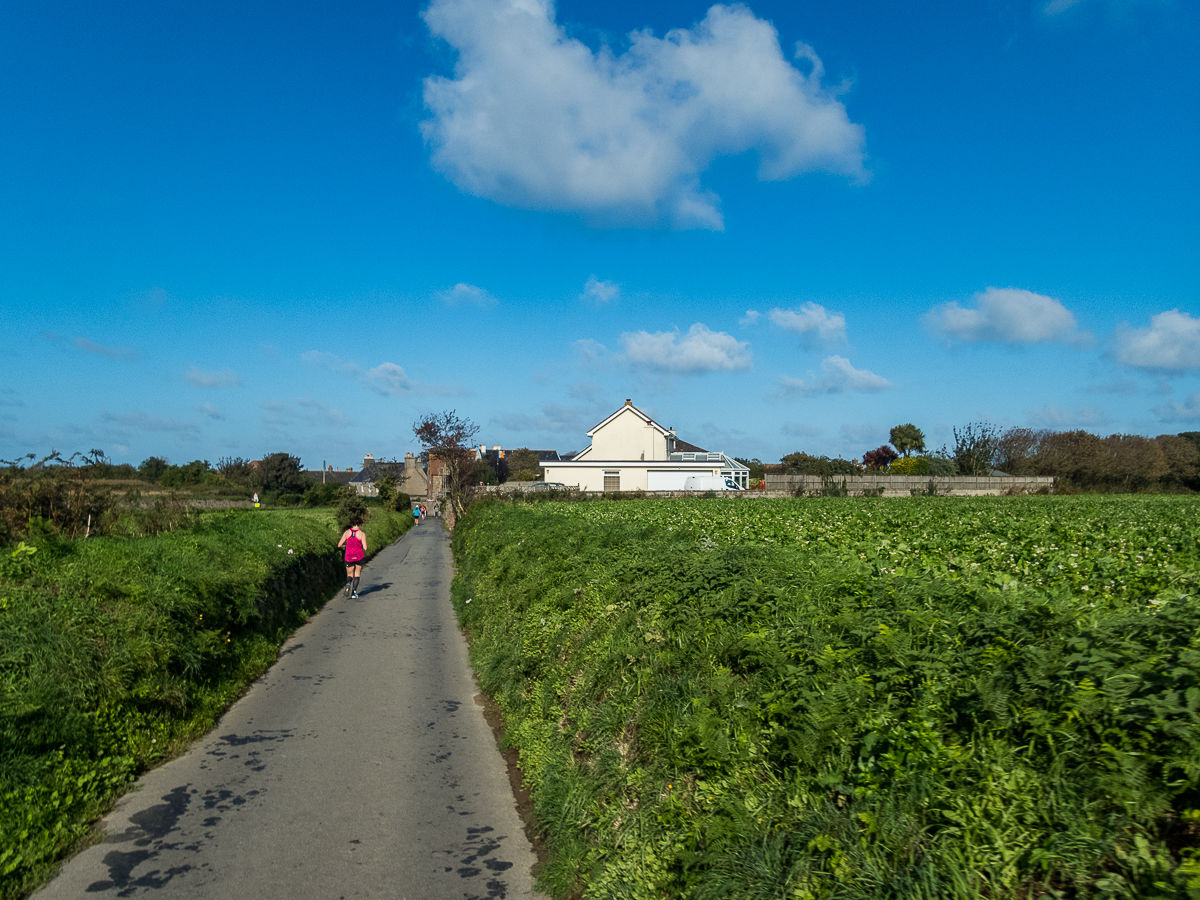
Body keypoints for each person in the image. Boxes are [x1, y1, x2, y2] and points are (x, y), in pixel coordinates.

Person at [337, 517, 367, 598]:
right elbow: (365, 548)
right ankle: (354, 593)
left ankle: (348, 584)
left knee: (349, 574)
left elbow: (339, 545)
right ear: (360, 524)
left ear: (351, 523)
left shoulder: (347, 532)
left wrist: (346, 545)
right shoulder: (362, 534)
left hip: (349, 556)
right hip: (359, 556)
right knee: (357, 574)